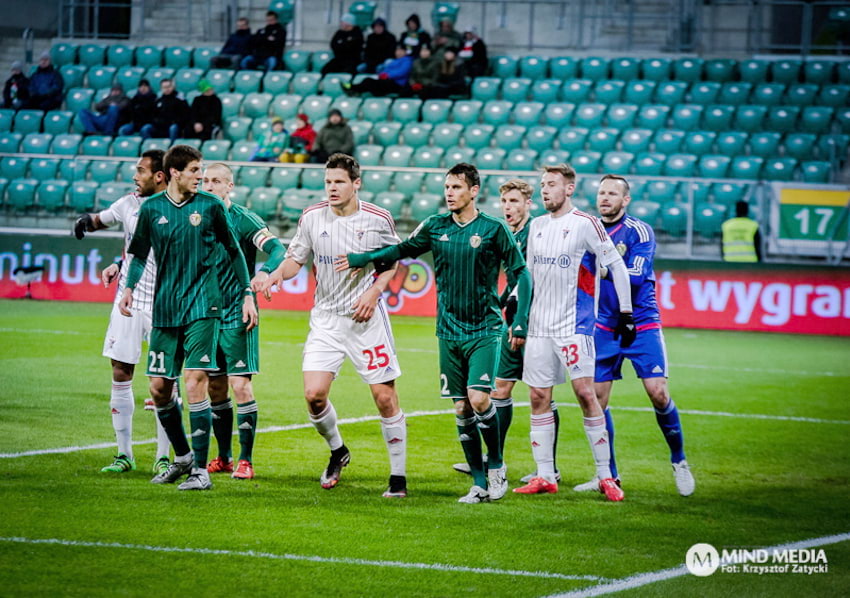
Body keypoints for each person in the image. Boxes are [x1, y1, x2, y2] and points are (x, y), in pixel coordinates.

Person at [336, 163, 531, 504]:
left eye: (456, 187)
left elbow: (521, 274)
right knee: (461, 409)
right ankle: (479, 482)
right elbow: (400, 250)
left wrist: (519, 318)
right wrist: (364, 258)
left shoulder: (493, 228)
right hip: (448, 330)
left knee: (480, 398)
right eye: (447, 187)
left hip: (484, 328)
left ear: (473, 191)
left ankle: (497, 465)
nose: (449, 193)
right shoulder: (435, 226)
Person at [260, 153, 408, 498]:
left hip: (365, 320)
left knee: (384, 398)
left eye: (339, 182)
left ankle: (398, 478)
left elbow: (391, 262)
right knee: (313, 396)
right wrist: (274, 276)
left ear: (356, 183)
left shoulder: (377, 219)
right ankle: (338, 451)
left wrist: (374, 291)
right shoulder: (312, 216)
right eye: (328, 182)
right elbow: (295, 259)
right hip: (326, 319)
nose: (332, 188)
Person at [118, 145, 258, 491]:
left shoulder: (210, 207)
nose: (201, 177)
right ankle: (182, 458)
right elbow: (137, 255)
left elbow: (235, 251)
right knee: (159, 388)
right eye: (195, 171)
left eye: (203, 171)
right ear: (175, 173)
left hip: (203, 307)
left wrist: (246, 292)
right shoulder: (151, 209)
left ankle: (201, 471)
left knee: (195, 380)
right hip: (165, 308)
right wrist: (129, 288)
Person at [512, 164, 633, 502]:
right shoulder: (535, 226)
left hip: (574, 325)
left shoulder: (586, 224)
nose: (544, 190)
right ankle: (545, 475)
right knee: (538, 398)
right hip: (538, 327)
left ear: (569, 189)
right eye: (542, 185)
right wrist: (517, 309)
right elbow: (528, 275)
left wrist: (626, 313)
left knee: (584, 393)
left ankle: (606, 476)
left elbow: (617, 266)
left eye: (551, 184)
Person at [575, 174, 695, 497]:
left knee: (658, 392)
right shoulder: (588, 230)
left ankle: (679, 460)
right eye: (601, 192)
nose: (605, 198)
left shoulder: (639, 231)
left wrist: (603, 269)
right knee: (596, 401)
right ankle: (609, 476)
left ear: (625, 200)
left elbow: (637, 276)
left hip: (641, 321)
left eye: (612, 193)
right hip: (603, 325)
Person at [71, 150, 175, 476]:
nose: (135, 176)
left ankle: (164, 456)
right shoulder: (129, 203)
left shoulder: (176, 208)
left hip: (166, 305)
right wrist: (86, 224)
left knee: (164, 382)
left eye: (141, 171)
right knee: (120, 373)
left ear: (159, 176)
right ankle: (124, 454)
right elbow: (103, 220)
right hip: (128, 303)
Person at [451, 178, 558, 478]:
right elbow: (513, 283)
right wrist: (499, 304)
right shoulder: (507, 233)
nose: (508, 207)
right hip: (513, 319)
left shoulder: (537, 233)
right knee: (500, 388)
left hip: (538, 322)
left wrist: (520, 319)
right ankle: (494, 457)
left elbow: (531, 280)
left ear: (528, 204)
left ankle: (549, 468)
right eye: (505, 202)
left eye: (514, 202)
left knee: (542, 393)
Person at [202, 163, 287, 480]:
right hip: (206, 314)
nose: (209, 186)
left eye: (216, 181)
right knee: (215, 387)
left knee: (240, 386)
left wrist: (263, 274)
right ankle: (223, 457)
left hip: (238, 311)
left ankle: (245, 460)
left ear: (229, 186)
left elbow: (278, 248)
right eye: (204, 181)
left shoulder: (243, 219)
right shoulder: (196, 219)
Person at [343, 44, 413, 97]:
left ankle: (352, 88)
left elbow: (402, 71)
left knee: (369, 82)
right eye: (397, 50)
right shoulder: (394, 61)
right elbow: (386, 70)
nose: (398, 52)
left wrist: (387, 75)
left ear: (406, 52)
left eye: (401, 50)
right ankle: (354, 89)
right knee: (368, 81)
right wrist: (383, 74)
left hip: (397, 84)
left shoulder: (408, 61)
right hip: (388, 81)